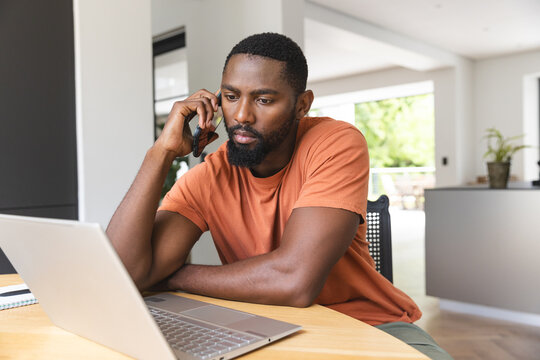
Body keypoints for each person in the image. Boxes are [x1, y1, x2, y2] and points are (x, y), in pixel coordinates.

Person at [107, 32, 452, 359]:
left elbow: (294, 281)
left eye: (263, 99)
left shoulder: (335, 143)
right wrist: (161, 152)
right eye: (230, 97)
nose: (241, 115)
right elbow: (125, 274)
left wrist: (173, 276)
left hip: (368, 326)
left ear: (302, 104)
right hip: (262, 327)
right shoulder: (212, 173)